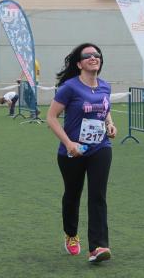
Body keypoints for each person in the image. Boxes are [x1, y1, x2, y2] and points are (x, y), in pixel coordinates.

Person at [46, 43, 117, 263]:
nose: (93, 57)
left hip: (100, 148)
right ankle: (71, 234)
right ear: (79, 63)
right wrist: (68, 143)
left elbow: (104, 111)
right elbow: (51, 117)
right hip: (73, 151)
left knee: (98, 196)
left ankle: (98, 247)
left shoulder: (105, 87)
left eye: (97, 55)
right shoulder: (70, 87)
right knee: (72, 195)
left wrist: (111, 124)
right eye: (88, 56)